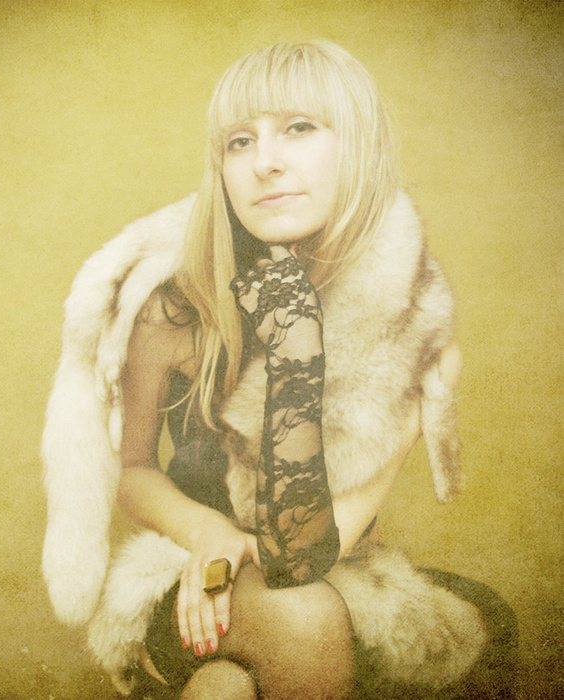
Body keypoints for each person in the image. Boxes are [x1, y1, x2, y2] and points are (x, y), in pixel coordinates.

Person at [41, 40, 517, 700]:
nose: (264, 162)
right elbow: (132, 468)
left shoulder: (405, 328)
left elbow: (302, 554)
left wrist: (297, 340)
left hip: (328, 564)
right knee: (299, 621)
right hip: (187, 570)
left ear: (360, 148)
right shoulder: (173, 307)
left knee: (235, 682)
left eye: (299, 128)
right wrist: (209, 532)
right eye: (239, 141)